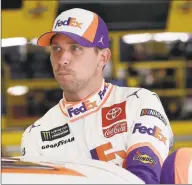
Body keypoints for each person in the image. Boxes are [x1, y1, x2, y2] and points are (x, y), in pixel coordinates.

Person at [21, 8, 174, 184]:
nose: (62, 59)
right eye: (56, 48)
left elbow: (144, 174)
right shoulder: (36, 135)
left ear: (103, 57)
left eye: (75, 48)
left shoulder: (138, 102)